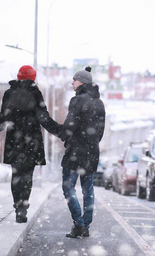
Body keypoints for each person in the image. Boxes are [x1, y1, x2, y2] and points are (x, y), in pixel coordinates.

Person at [0, 65, 61, 223]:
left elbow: (4, 117)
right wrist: (59, 131)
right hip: (32, 141)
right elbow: (43, 118)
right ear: (33, 78)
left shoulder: (9, 93)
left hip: (15, 141)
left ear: (19, 76)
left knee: (16, 175)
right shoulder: (35, 93)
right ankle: (23, 207)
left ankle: (17, 205)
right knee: (27, 176)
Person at [59, 66, 106, 238]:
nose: (72, 82)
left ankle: (78, 223)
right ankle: (86, 226)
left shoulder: (77, 100)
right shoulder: (99, 103)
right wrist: (91, 143)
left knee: (68, 187)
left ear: (82, 82)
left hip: (75, 152)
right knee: (88, 190)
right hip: (92, 152)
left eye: (74, 80)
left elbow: (70, 126)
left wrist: (65, 136)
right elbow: (101, 130)